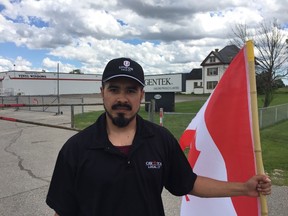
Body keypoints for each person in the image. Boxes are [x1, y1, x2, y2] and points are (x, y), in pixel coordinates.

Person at [46, 57, 271, 216]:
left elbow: (190, 183)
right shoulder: (76, 148)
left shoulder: (160, 140)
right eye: (114, 89)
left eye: (131, 90)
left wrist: (244, 188)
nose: (122, 98)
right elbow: (63, 210)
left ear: (142, 95)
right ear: (102, 92)